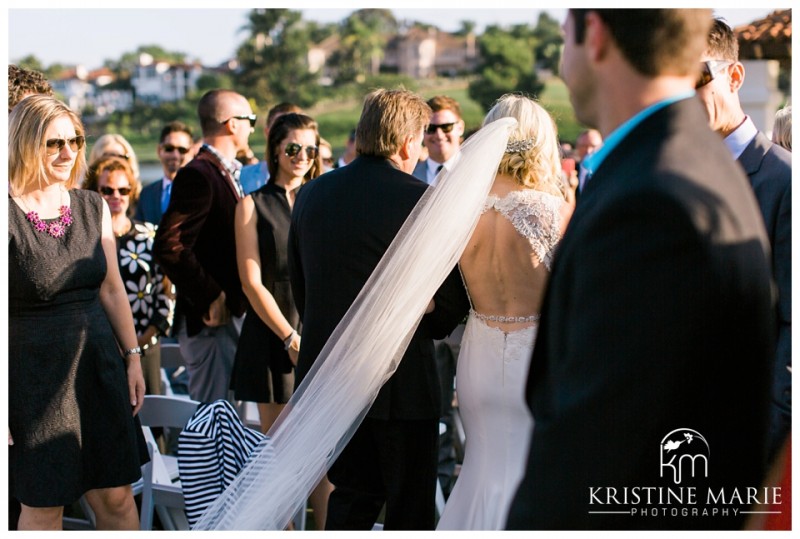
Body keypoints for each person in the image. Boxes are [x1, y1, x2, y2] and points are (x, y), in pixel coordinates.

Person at [506, 9, 775, 530]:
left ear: (597, 35)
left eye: (565, 38)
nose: (562, 65)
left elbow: (595, 453)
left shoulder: (652, 202)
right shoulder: (682, 161)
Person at [288, 88, 469, 530]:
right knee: (410, 509)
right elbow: (448, 305)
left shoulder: (311, 195)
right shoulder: (421, 200)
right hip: (402, 385)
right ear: (408, 142)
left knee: (351, 497)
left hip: (331, 381)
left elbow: (301, 289)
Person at [8, 95, 145, 530]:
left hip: (99, 367)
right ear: (25, 143)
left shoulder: (93, 205)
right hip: (33, 379)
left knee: (118, 500)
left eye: (76, 140)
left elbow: (111, 287)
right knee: (44, 507)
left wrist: (133, 356)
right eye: (54, 143)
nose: (69, 153)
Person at [437, 94, 572, 530]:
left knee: (480, 468)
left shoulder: (459, 210)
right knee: (530, 471)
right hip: (535, 361)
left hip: (477, 356)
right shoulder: (553, 212)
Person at [696, 18, 792, 463]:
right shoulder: (668, 177)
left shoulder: (785, 181)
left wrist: (769, 432)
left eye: (697, 78)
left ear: (734, 76)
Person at [231, 112, 332, 529]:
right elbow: (252, 282)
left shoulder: (325, 198)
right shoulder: (250, 204)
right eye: (294, 148)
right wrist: (290, 337)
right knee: (279, 456)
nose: (303, 157)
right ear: (275, 149)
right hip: (273, 334)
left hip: (321, 330)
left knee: (323, 459)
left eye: (311, 149)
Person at [154, 89, 253, 404]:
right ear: (231, 124)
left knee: (228, 420)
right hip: (212, 323)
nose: (252, 126)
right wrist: (211, 295)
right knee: (214, 421)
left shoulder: (223, 170)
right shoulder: (199, 174)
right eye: (249, 119)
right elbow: (170, 245)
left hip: (227, 319)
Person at [84, 155, 174, 395]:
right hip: (98, 347)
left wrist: (138, 342)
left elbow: (167, 294)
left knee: (153, 419)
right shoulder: (85, 242)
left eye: (123, 190)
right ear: (95, 192)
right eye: (108, 190)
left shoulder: (149, 235)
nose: (116, 196)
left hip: (146, 347)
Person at [135, 121, 195, 225]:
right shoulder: (146, 194)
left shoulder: (202, 191)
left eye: (182, 150)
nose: (175, 155)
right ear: (159, 150)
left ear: (191, 152)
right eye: (169, 148)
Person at [240, 102, 304, 194]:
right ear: (267, 132)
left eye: (295, 128)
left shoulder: (323, 178)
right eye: (280, 129)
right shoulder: (243, 177)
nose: (288, 135)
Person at [413, 95, 466, 186]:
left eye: (446, 127)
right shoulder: (410, 175)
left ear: (460, 128)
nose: (439, 135)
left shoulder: (478, 170)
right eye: (430, 128)